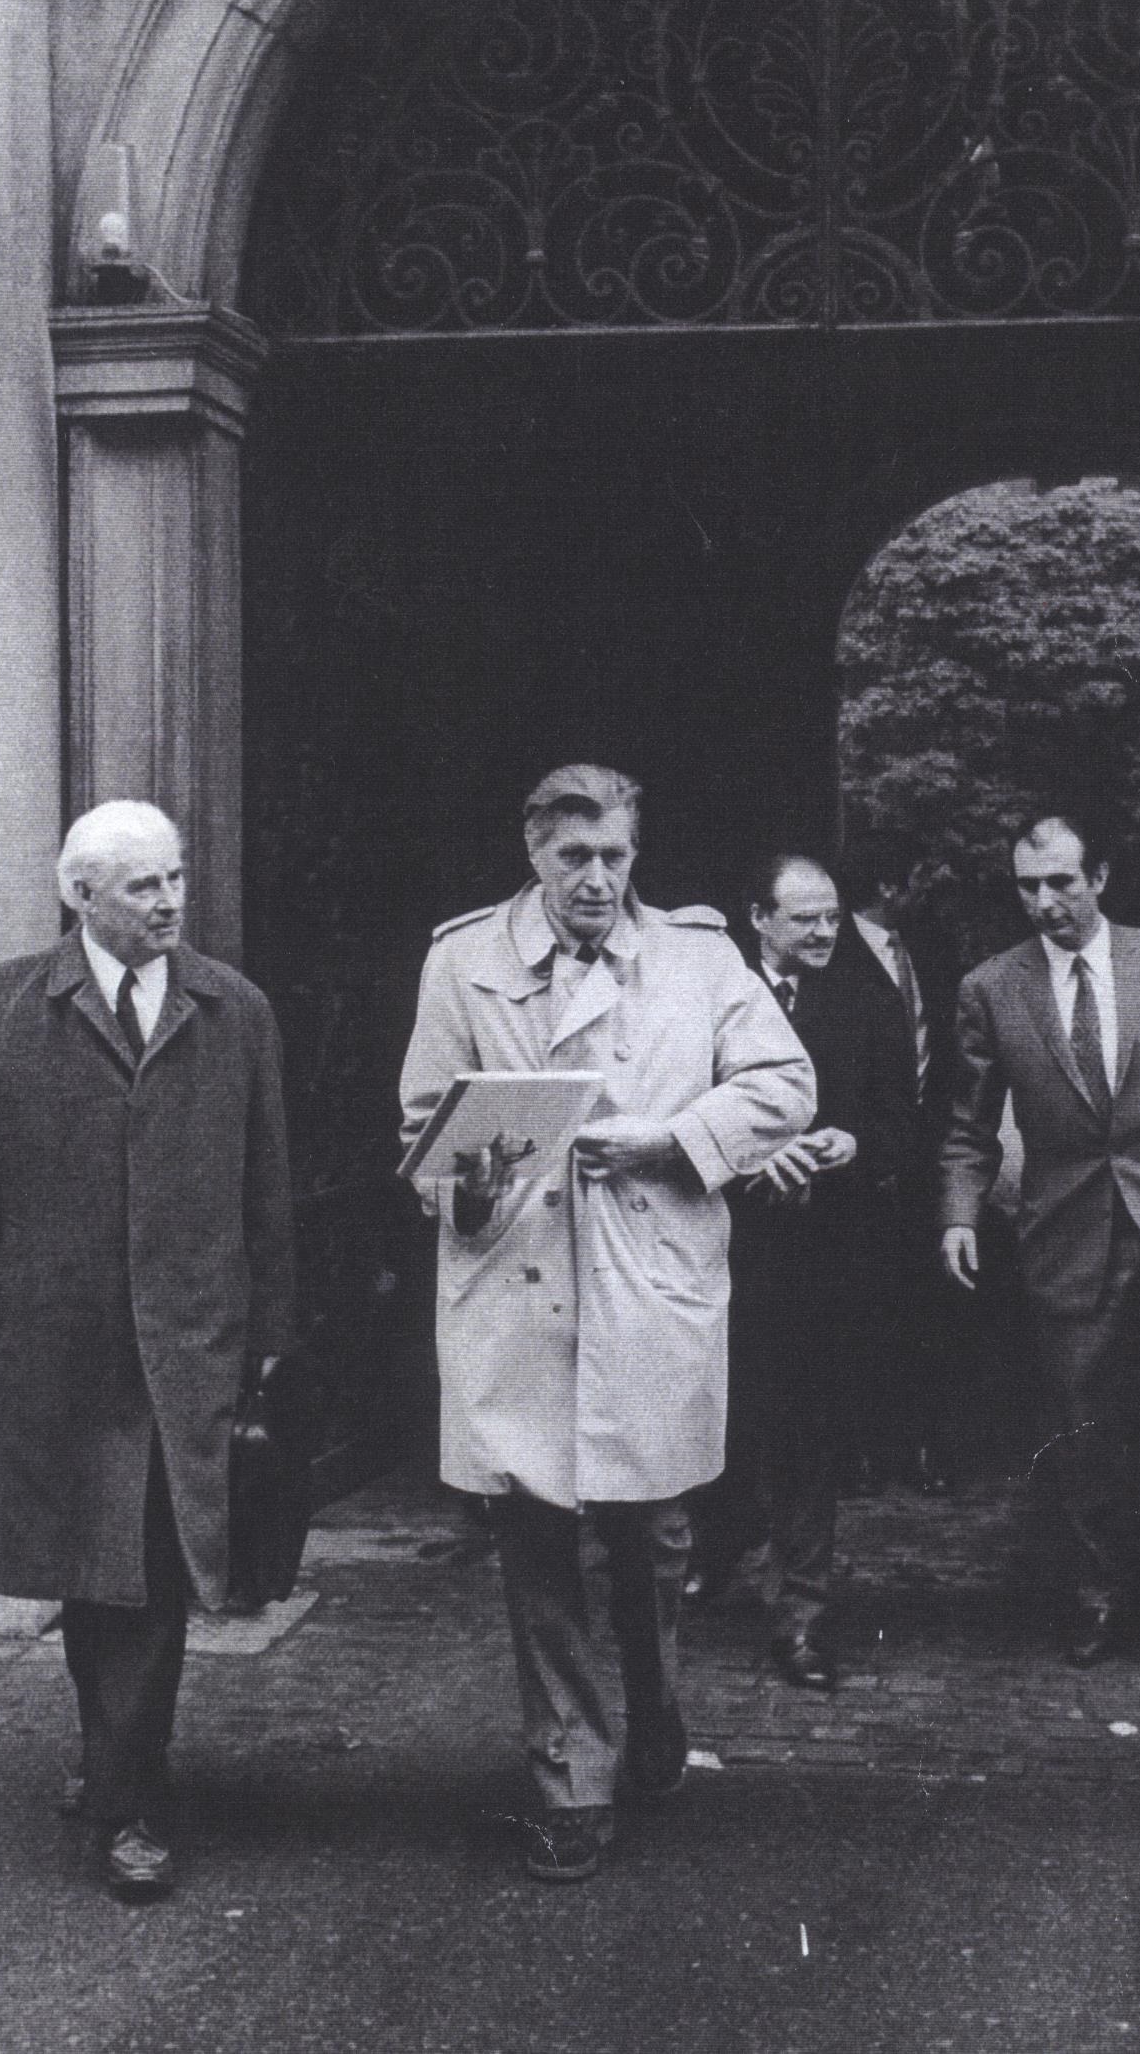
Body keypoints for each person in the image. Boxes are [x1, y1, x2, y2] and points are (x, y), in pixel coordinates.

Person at [398, 765, 815, 1884]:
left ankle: (654, 1701)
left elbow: (783, 1083)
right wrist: (466, 1176)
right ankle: (570, 1778)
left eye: (615, 857)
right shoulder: (463, 962)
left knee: (652, 1530)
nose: (596, 879)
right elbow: (421, 1124)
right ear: (534, 852)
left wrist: (673, 1139)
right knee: (535, 1537)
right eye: (574, 857)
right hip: (517, 1282)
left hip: (647, 1277)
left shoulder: (698, 957)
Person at [0, 801, 296, 1903]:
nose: (169, 903)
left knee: (148, 1580)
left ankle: (132, 1804)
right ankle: (115, 1756)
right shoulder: (1, 1007)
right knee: (91, 1576)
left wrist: (274, 1343)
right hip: (57, 1356)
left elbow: (268, 1190)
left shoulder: (235, 1009)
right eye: (142, 886)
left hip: (186, 1354)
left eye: (175, 879)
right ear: (79, 896)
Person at [938, 804, 1140, 1675]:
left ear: (1098, 877)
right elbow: (969, 1124)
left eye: (1061, 881)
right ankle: (1098, 1591)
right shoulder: (991, 987)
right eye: (1027, 887)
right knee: (1084, 1427)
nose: (1044, 902)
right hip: (1064, 1232)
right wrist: (958, 1214)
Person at [690, 851, 921, 1687]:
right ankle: (713, 1553)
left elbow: (906, 1125)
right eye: (805, 919)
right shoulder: (705, 999)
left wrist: (854, 1143)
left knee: (809, 1434)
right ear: (758, 919)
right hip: (717, 1248)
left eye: (832, 917)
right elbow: (674, 1110)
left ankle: (802, 1615)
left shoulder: (867, 1000)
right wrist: (748, 1155)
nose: (826, 932)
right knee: (717, 1418)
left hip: (823, 1259)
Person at [835, 829, 957, 1494]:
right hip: (854, 1165)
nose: (933, 884)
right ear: (888, 885)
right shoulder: (830, 951)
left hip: (923, 1161)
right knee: (855, 1309)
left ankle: (923, 1447)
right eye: (920, 873)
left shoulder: (930, 949)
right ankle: (856, 1452)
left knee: (926, 1307)